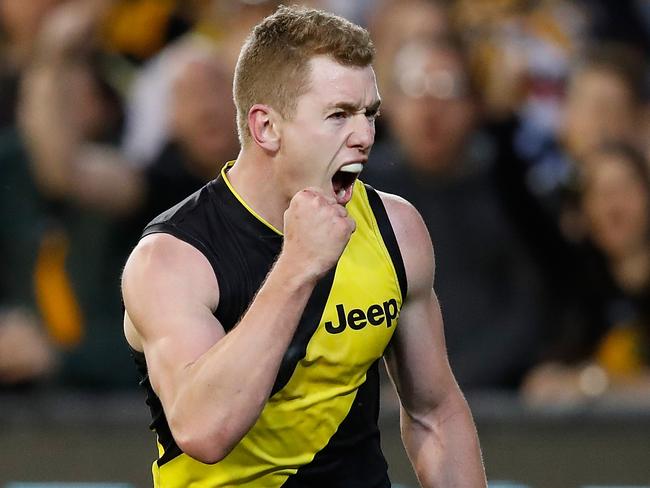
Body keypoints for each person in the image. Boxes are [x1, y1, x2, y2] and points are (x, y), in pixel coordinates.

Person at [121, 5, 486, 487]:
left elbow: (433, 414)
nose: (365, 136)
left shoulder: (395, 228)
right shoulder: (172, 258)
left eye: (369, 114)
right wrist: (297, 266)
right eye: (338, 115)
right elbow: (204, 429)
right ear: (266, 127)